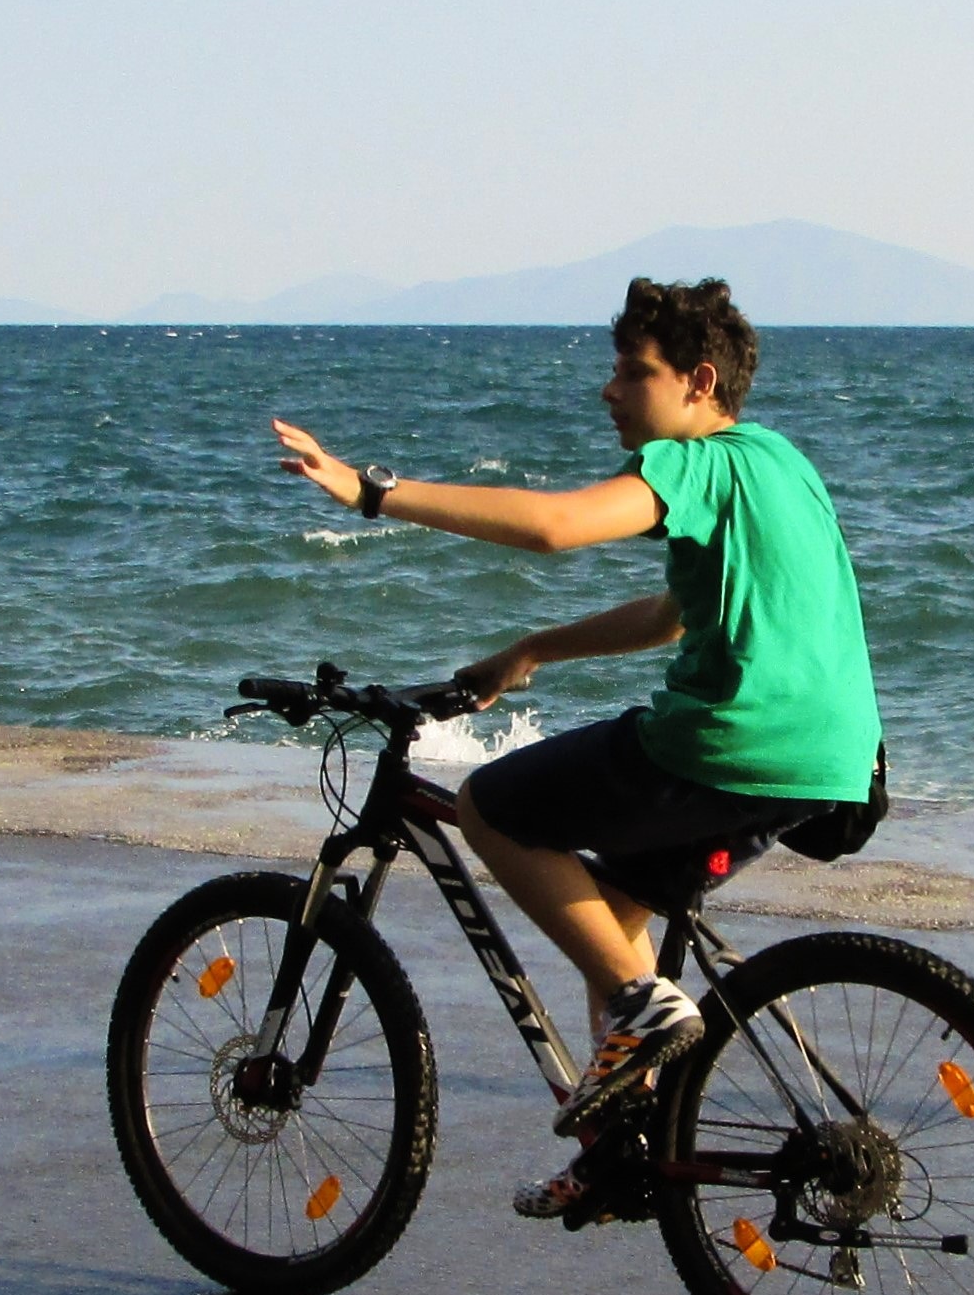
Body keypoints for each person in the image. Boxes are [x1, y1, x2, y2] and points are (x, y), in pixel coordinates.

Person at [272, 276, 880, 1222]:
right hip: (833, 760)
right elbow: (674, 615)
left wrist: (371, 491)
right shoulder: (779, 465)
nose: (609, 392)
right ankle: (617, 1150)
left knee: (490, 806)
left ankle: (646, 1006)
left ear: (698, 382)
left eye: (632, 373)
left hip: (729, 742)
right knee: (615, 918)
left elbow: (554, 525)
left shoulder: (697, 461)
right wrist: (531, 650)